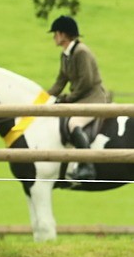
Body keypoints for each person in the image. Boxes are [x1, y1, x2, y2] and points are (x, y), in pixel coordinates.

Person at [46, 16, 109, 181]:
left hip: (93, 99)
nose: (54, 37)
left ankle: (87, 166)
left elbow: (86, 82)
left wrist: (67, 98)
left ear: (63, 35)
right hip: (81, 99)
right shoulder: (65, 55)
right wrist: (44, 98)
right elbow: (60, 81)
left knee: (74, 123)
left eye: (55, 33)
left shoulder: (81, 52)